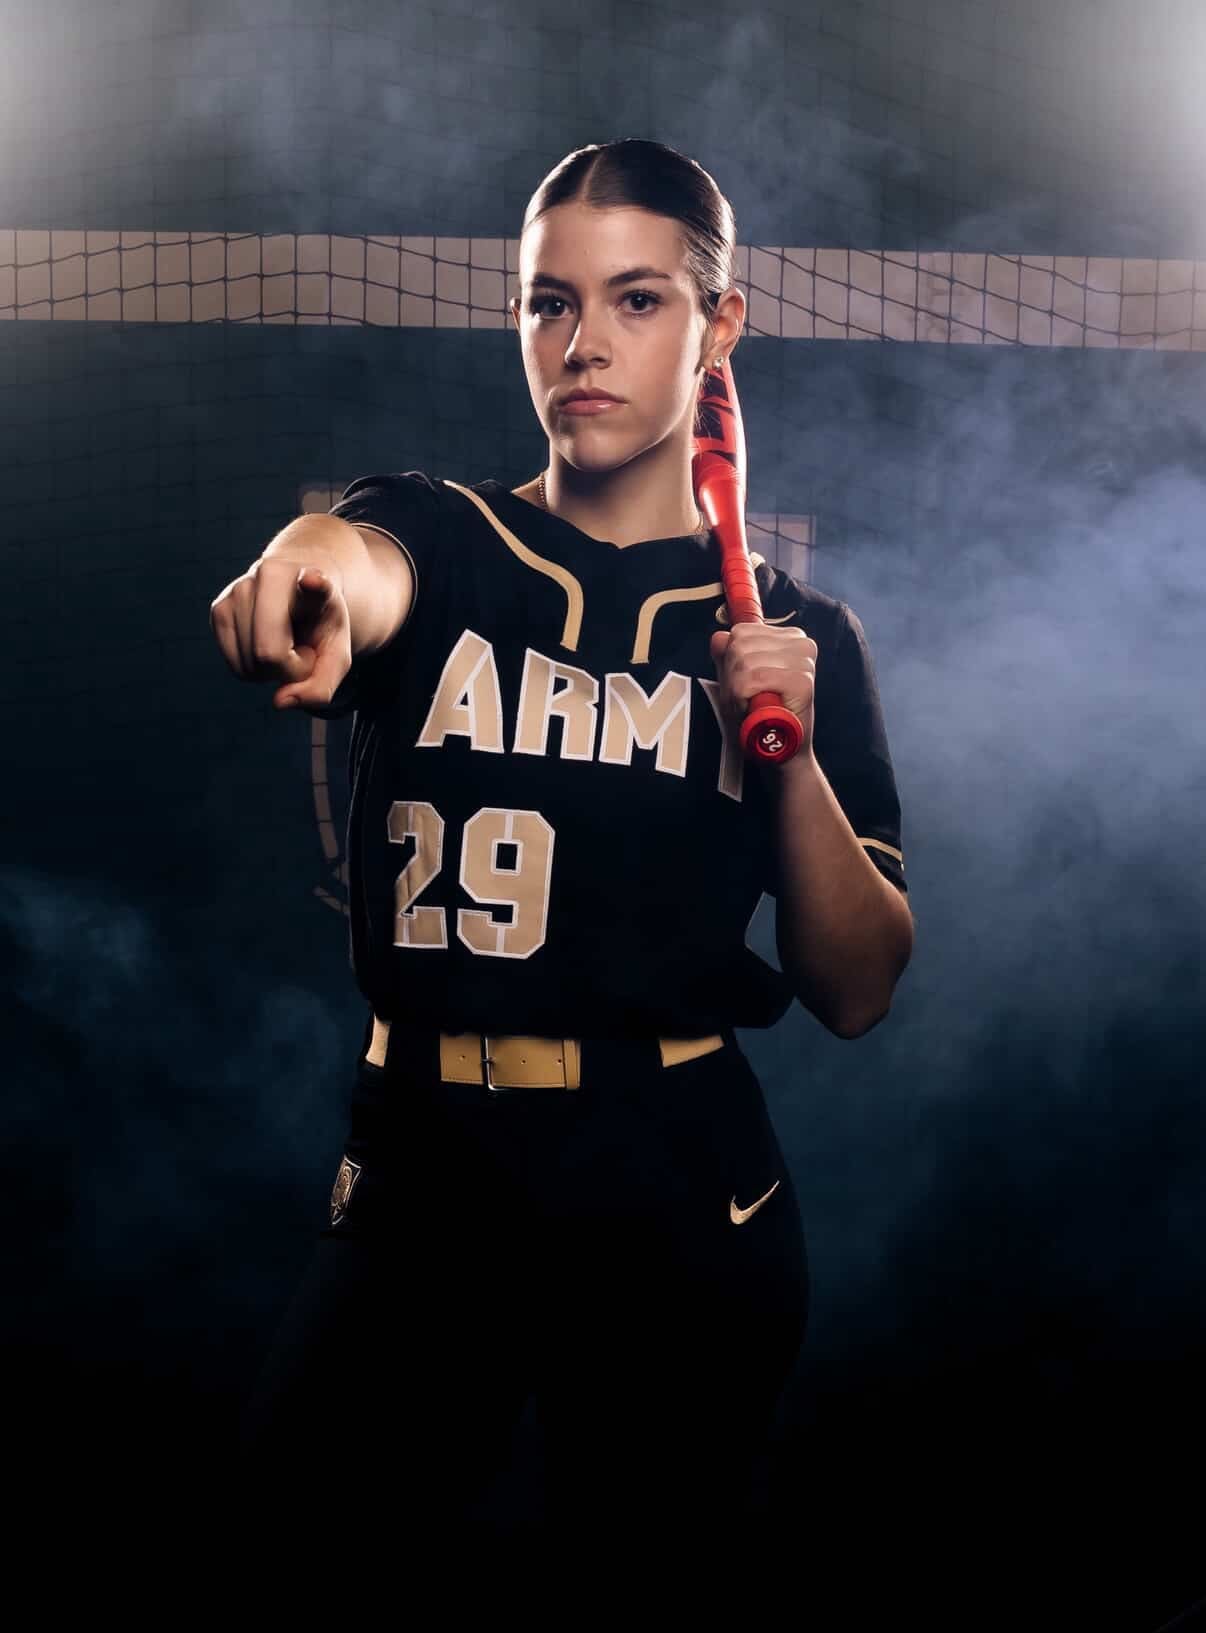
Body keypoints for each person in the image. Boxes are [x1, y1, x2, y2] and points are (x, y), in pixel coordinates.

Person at [210, 139, 913, 1592]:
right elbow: (355, 554)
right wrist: (306, 569)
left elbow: (852, 985)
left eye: (637, 300)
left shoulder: (801, 636)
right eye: (546, 302)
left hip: (673, 1186)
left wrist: (776, 745)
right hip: (426, 1175)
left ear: (720, 325)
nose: (579, 344)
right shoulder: (449, 537)